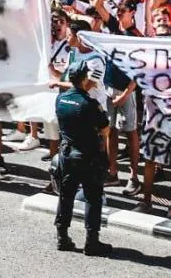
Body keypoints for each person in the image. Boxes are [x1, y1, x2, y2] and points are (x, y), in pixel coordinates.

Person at [53, 60, 112, 256]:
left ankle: (62, 237)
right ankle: (92, 242)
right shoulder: (89, 104)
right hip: (88, 156)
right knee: (93, 198)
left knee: (66, 195)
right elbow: (105, 128)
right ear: (85, 78)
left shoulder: (60, 100)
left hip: (67, 154)